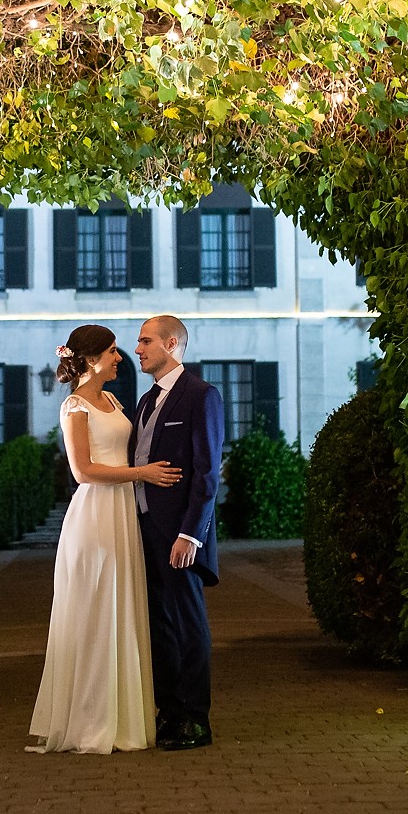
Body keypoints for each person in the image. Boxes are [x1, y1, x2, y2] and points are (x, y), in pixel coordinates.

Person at [26, 324, 183, 754]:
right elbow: (83, 471)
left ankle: (124, 716)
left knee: (123, 610)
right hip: (95, 515)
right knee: (97, 612)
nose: (121, 357)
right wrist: (143, 474)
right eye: (113, 352)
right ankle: (93, 720)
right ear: (93, 358)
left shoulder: (112, 400)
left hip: (123, 515)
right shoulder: (74, 406)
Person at [129, 315, 224, 751]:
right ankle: (169, 712)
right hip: (144, 527)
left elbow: (207, 472)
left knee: (188, 621)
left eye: (145, 340)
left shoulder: (201, 395)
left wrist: (192, 534)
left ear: (171, 343)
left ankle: (195, 718)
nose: (138, 348)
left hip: (180, 533)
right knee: (159, 623)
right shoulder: (146, 401)